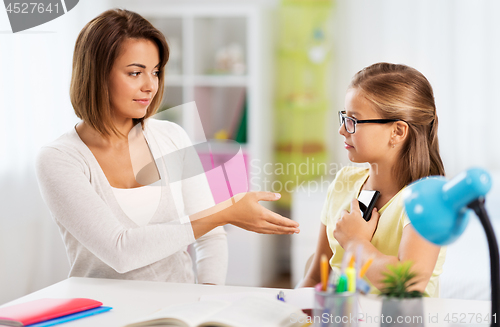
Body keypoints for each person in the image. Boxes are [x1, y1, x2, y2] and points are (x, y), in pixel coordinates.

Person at [35, 9, 299, 285]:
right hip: (103, 313)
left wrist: (206, 301)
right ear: (96, 74)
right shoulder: (60, 159)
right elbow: (120, 251)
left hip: (178, 310)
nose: (151, 85)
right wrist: (222, 213)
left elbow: (211, 237)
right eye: (136, 73)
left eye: (156, 71)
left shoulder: (171, 136)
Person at [299, 63, 446, 297]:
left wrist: (356, 243)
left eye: (354, 121)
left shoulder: (428, 201)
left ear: (397, 131)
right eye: (344, 117)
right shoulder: (344, 182)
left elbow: (408, 286)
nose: (342, 130)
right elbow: (316, 277)